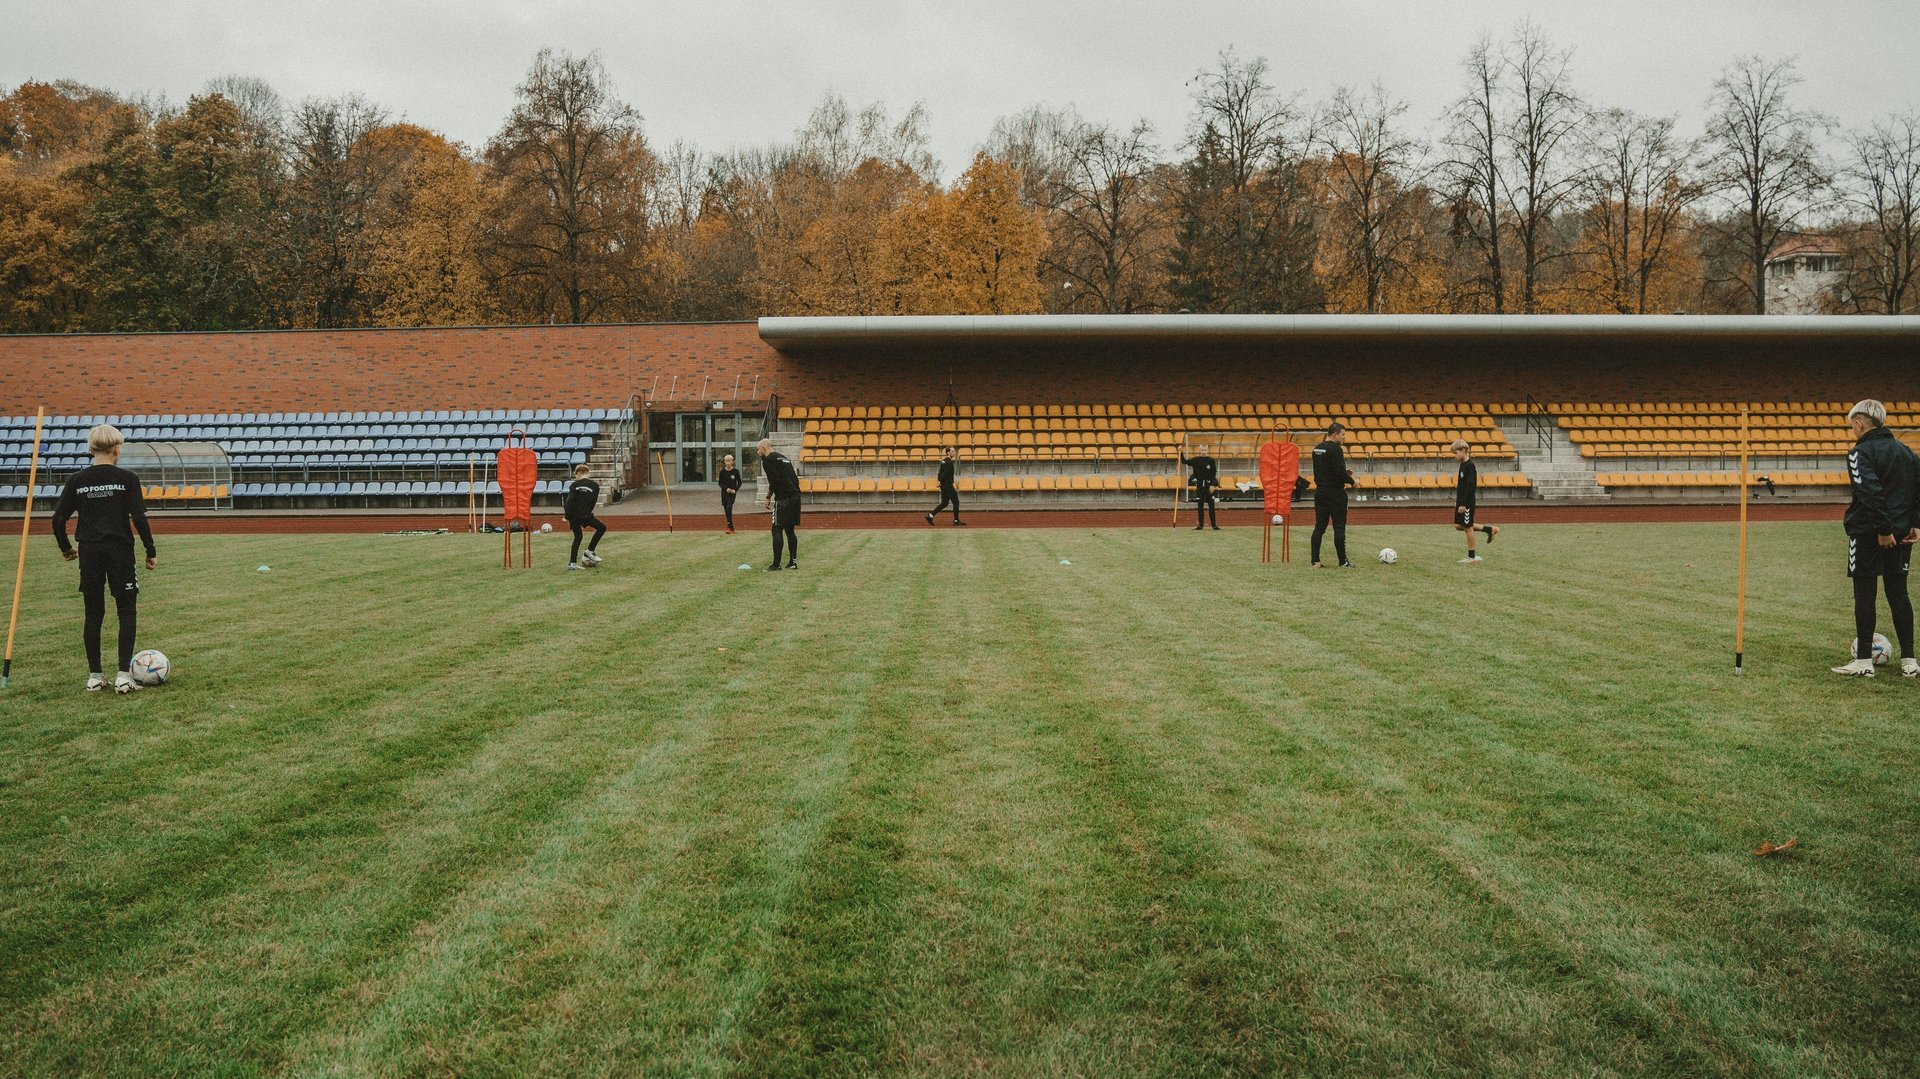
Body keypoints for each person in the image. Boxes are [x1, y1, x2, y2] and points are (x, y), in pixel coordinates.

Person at [50, 424, 157, 694]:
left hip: (89, 552)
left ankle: (95, 676)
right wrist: (150, 550)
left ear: (90, 449)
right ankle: (123, 675)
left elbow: (58, 518)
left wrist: (66, 548)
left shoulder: (76, 480)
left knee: (93, 612)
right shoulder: (128, 478)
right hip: (120, 551)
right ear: (117, 448)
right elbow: (139, 518)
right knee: (126, 610)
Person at [1831, 399, 1920, 676]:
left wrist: (1883, 529)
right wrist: (1915, 523)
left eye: (1852, 426)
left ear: (1859, 422)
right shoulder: (1907, 453)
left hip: (1869, 533)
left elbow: (1869, 491)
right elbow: (1917, 490)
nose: (1852, 431)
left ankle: (1863, 663)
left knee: (1865, 595)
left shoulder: (1860, 453)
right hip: (1902, 533)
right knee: (1899, 593)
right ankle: (1910, 661)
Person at [1310, 422, 1357, 568]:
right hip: (1336, 493)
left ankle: (1315, 561)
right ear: (1335, 434)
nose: (1344, 438)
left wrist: (1343, 471)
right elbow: (1338, 472)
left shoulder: (1317, 448)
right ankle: (1342, 561)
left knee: (1319, 527)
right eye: (1342, 434)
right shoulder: (1336, 449)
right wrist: (1352, 481)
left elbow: (1324, 468)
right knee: (1339, 527)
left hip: (1321, 492)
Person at [1451, 439, 1500, 563]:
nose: (1454, 456)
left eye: (1455, 452)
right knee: (1458, 525)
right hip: (1461, 501)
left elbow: (1471, 487)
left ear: (1463, 451)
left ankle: (1471, 557)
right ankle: (1490, 529)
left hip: (1466, 502)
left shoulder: (1470, 466)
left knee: (1467, 527)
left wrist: (1463, 504)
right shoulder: (1463, 465)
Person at [759, 437, 801, 571]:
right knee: (790, 530)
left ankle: (776, 564)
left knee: (776, 529)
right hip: (795, 496)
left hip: (783, 498)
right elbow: (795, 479)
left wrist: (768, 497)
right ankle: (793, 562)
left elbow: (774, 481)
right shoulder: (785, 459)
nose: (757, 452)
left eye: (758, 449)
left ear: (763, 448)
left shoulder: (767, 460)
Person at [563, 463, 605, 571]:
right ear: (588, 473)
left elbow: (569, 502)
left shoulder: (574, 485)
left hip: (574, 516)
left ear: (577, 474)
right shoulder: (595, 486)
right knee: (602, 528)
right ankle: (589, 551)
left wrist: (567, 516)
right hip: (586, 514)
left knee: (578, 537)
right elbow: (592, 503)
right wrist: (587, 514)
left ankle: (572, 563)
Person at [1183, 444, 1221, 530]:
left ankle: (1214, 525)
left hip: (1209, 485)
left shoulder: (1211, 460)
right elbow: (1184, 461)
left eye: (1205, 450)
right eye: (1202, 450)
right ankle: (1200, 525)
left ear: (1207, 450)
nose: (1204, 452)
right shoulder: (1196, 460)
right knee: (1200, 505)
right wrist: (1180, 452)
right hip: (1200, 485)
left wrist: (1212, 485)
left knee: (1211, 505)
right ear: (1199, 451)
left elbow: (1213, 474)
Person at [925, 446, 965, 526]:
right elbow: (945, 474)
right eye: (953, 451)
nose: (954, 452)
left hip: (944, 485)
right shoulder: (948, 462)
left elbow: (940, 473)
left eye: (954, 451)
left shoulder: (943, 461)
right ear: (948, 452)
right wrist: (942, 481)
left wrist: (940, 481)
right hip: (947, 485)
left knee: (944, 503)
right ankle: (956, 521)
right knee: (956, 502)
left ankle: (930, 516)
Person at [717, 454, 742, 534]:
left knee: (729, 508)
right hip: (724, 493)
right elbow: (720, 483)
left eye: (729, 461)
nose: (727, 463)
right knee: (726, 510)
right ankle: (731, 528)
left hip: (732, 494)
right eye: (726, 461)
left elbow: (740, 482)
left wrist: (735, 489)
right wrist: (726, 488)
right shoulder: (722, 472)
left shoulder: (735, 471)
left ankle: (729, 527)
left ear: (732, 462)